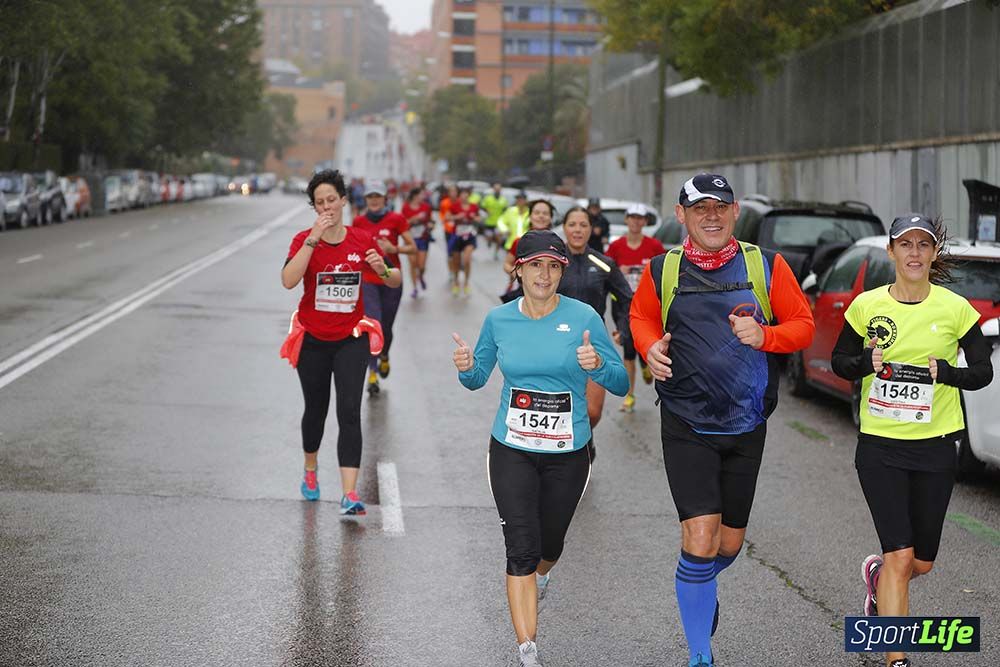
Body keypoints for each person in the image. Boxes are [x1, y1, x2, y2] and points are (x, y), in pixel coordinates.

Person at [629, 174, 814, 667]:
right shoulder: (662, 270)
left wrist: (765, 335)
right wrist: (650, 348)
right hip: (686, 422)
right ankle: (700, 654)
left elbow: (803, 326)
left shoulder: (766, 265)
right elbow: (641, 317)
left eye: (720, 207)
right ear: (681, 214)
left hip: (747, 424)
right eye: (700, 208)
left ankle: (700, 583)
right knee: (700, 536)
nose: (711, 215)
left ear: (735, 213)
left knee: (726, 544)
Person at [453, 230, 628, 667]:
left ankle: (542, 575)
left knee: (550, 544)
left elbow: (621, 383)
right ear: (519, 269)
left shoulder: (584, 317)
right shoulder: (499, 320)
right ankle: (527, 650)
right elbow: (476, 379)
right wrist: (467, 367)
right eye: (535, 265)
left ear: (562, 271)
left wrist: (599, 365)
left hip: (568, 452)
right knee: (521, 549)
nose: (544, 274)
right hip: (511, 447)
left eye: (553, 266)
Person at [831, 215, 993, 667]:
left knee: (920, 563)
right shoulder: (865, 306)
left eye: (924, 245)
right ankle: (896, 658)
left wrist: (949, 373)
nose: (915, 253)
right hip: (880, 447)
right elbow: (839, 360)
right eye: (906, 245)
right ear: (892, 252)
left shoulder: (955, 308)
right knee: (900, 555)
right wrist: (867, 361)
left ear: (933, 254)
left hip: (936, 447)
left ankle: (879, 581)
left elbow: (984, 372)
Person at [281, 169, 402, 512]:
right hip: (313, 341)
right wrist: (311, 241)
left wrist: (381, 268)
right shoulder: (304, 239)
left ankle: (349, 494)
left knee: (349, 411)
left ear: (344, 200)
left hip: (351, 339)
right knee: (315, 411)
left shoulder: (362, 240)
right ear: (314, 208)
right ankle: (310, 469)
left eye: (332, 200)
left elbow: (394, 279)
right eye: (319, 203)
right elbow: (288, 280)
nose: (327, 208)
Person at [556, 206, 633, 460]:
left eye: (583, 225)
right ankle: (565, 452)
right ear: (564, 228)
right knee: (559, 407)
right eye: (572, 224)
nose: (578, 230)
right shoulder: (554, 263)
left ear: (592, 229)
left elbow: (626, 298)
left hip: (593, 344)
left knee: (592, 411)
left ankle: (584, 440)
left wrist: (623, 328)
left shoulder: (603, 263)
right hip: (556, 342)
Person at [353, 180, 415, 395]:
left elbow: (413, 248)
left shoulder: (396, 219)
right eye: (370, 196)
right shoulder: (358, 221)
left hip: (391, 280)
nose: (374, 200)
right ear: (365, 199)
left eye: (378, 196)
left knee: (386, 328)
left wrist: (393, 248)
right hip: (368, 280)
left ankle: (385, 355)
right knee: (373, 324)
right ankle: (372, 372)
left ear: (385, 198)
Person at [606, 203, 667, 412]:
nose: (635, 221)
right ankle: (629, 395)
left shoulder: (654, 246)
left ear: (644, 222)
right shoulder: (616, 247)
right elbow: (605, 272)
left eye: (639, 218)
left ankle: (645, 362)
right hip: (622, 305)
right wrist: (617, 271)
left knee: (643, 344)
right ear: (626, 220)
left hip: (647, 304)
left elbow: (665, 273)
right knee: (628, 348)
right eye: (631, 217)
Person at [447, 186, 482, 296]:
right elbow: (447, 218)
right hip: (457, 236)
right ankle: (456, 282)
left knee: (467, 260)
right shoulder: (454, 206)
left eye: (466, 195)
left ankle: (466, 283)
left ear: (469, 196)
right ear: (459, 196)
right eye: (462, 195)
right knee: (456, 262)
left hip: (470, 236)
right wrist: (457, 217)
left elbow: (479, 218)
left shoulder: (474, 207)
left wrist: (474, 217)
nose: (464, 197)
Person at [401, 187, 434, 298]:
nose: (423, 197)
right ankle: (415, 288)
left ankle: (420, 276)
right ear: (415, 195)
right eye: (421, 194)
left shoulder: (426, 207)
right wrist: (413, 219)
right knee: (412, 263)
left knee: (421, 265)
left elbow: (431, 221)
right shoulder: (405, 208)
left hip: (423, 238)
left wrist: (431, 225)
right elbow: (402, 224)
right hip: (410, 240)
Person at [481, 182, 509, 258]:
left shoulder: (503, 200)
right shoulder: (488, 198)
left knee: (499, 240)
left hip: (498, 223)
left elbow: (505, 210)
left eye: (499, 189)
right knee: (489, 237)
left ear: (500, 190)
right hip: (489, 222)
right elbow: (482, 207)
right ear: (493, 189)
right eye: (496, 189)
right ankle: (489, 241)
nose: (497, 190)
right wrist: (487, 211)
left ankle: (496, 253)